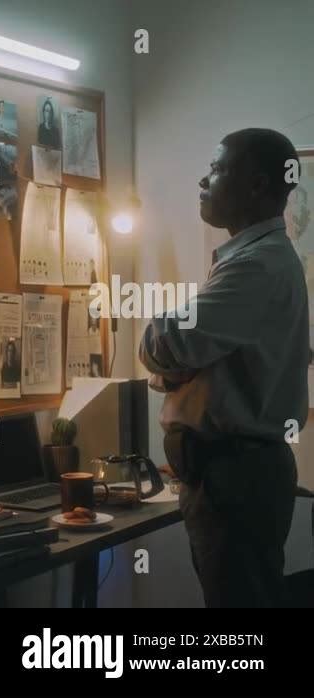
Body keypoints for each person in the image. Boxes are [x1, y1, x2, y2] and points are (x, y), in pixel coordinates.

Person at [139, 128, 310, 608]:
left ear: (256, 185)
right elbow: (180, 358)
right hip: (229, 475)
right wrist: (174, 367)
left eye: (216, 170)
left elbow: (164, 342)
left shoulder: (257, 266)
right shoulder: (259, 260)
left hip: (236, 478)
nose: (203, 181)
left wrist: (166, 361)